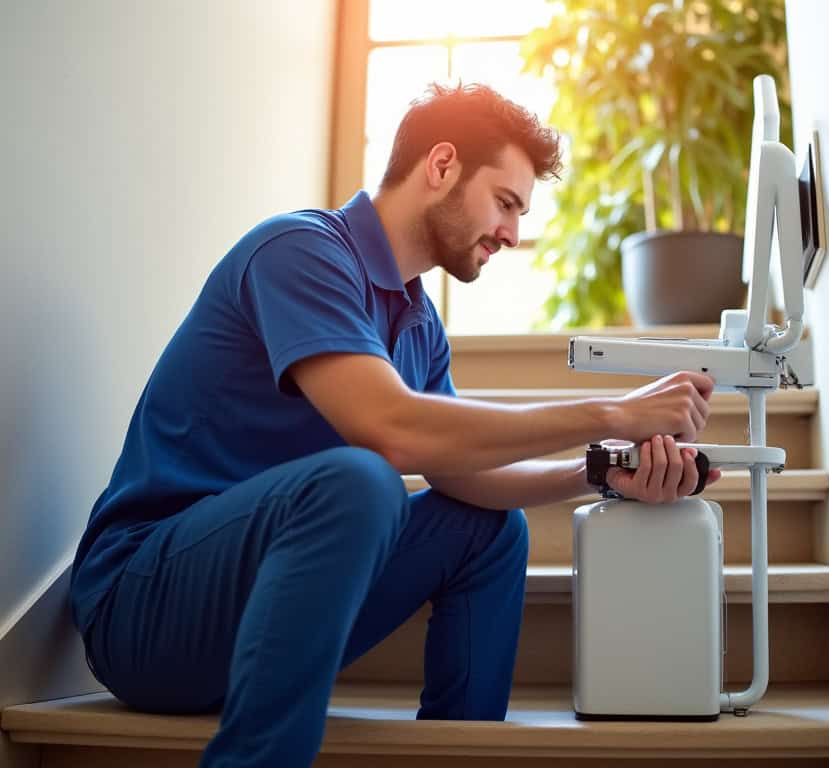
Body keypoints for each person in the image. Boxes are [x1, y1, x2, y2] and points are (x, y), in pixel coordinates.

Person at [68, 82, 720, 767]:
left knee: (490, 528)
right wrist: (613, 411)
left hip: (259, 608)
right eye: (505, 203)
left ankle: (460, 755)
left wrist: (598, 471)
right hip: (145, 607)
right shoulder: (299, 250)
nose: (512, 234)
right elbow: (390, 429)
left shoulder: (419, 326)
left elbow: (468, 475)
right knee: (363, 479)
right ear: (441, 166)